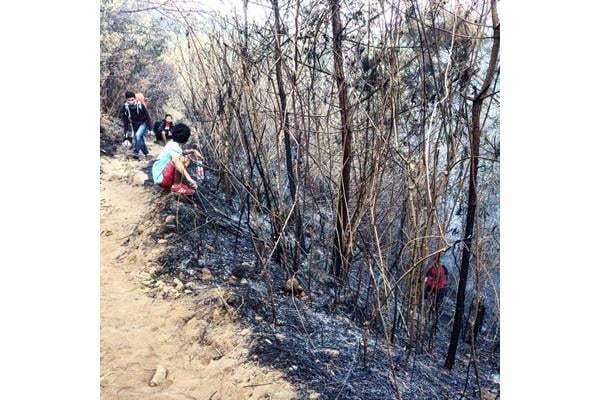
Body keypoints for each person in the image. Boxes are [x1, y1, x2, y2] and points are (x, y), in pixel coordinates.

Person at [151, 123, 202, 195]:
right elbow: (176, 161)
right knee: (182, 160)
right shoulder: (175, 147)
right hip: (161, 178)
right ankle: (177, 186)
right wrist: (189, 178)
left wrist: (193, 151)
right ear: (186, 138)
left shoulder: (172, 143)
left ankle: (177, 181)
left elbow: (181, 152)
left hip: (158, 175)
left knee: (186, 158)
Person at [121, 91, 152, 159]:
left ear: (135, 99)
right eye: (129, 100)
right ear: (126, 100)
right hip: (134, 124)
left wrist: (150, 129)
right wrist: (125, 132)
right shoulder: (125, 107)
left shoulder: (140, 105)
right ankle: (147, 154)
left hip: (144, 123)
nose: (131, 101)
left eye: (132, 99)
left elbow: (148, 117)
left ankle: (136, 152)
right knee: (139, 140)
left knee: (138, 135)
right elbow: (125, 120)